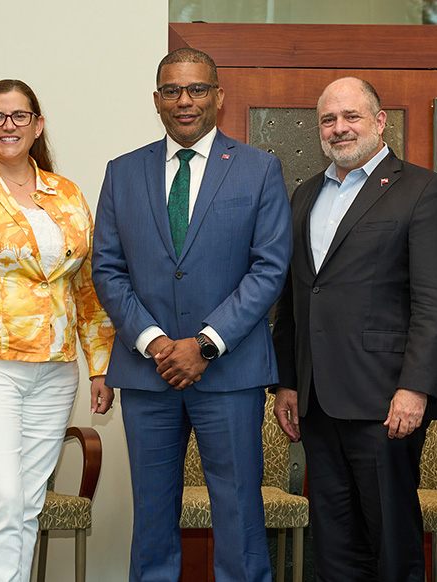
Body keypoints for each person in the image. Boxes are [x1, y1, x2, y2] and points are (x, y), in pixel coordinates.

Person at [91, 47, 292, 582]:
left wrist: (204, 344)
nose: (185, 101)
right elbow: (107, 270)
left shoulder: (258, 168)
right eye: (173, 90)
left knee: (239, 513)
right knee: (152, 515)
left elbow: (269, 270)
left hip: (229, 372)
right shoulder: (122, 172)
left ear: (219, 97)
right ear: (156, 99)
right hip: (147, 372)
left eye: (197, 89)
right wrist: (157, 343)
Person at [271, 77, 437, 581]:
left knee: (391, 542)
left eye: (351, 117)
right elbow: (295, 296)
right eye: (329, 120)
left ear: (380, 122)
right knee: (334, 544)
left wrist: (415, 388)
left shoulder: (424, 190)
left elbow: (435, 303)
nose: (339, 129)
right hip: (316, 400)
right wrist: (287, 380)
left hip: (385, 400)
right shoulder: (305, 193)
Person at [0, 79, 114, 581]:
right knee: (2, 498)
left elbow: (88, 289)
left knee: (26, 503)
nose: (8, 126)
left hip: (54, 372)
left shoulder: (66, 193)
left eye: (19, 116)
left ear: (38, 124)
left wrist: (100, 367)